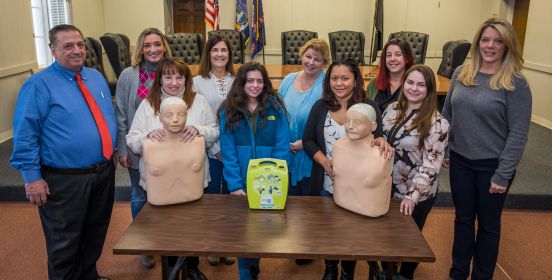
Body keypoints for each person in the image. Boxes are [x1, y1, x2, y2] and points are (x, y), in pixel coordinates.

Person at [10, 24, 116, 280]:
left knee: (94, 234)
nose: (77, 50)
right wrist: (32, 178)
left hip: (103, 173)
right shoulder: (38, 85)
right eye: (68, 46)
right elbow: (25, 133)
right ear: (53, 50)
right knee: (64, 244)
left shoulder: (95, 76)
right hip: (65, 179)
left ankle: (89, 275)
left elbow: (109, 117)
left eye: (80, 44)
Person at [443, 18, 531, 280]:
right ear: (477, 42)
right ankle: (457, 273)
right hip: (460, 161)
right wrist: (446, 149)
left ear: (507, 46)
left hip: (493, 165)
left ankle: (482, 276)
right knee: (463, 220)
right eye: (485, 39)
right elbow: (447, 114)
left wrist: (503, 174)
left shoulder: (515, 83)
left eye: (498, 40)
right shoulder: (461, 73)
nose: (490, 45)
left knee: (489, 226)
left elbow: (518, 134)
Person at [126, 57, 217, 280]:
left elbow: (214, 131)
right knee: (166, 230)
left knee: (192, 227)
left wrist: (199, 130)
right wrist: (147, 135)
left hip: (192, 179)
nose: (174, 82)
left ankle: (192, 268)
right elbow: (132, 139)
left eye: (179, 77)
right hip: (160, 183)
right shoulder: (149, 104)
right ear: (160, 80)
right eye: (168, 77)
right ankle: (170, 270)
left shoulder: (199, 101)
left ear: (187, 80)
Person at [303, 59, 393, 280]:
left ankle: (347, 271)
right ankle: (331, 268)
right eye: (334, 78)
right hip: (327, 182)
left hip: (358, 186)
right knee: (329, 230)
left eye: (345, 78)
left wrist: (382, 141)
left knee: (352, 231)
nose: (339, 83)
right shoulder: (320, 107)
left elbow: (378, 136)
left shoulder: (369, 107)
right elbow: (308, 141)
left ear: (355, 80)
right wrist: (324, 161)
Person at [218, 62, 290, 280]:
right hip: (240, 180)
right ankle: (244, 274)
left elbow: (282, 146)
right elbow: (227, 150)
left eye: (259, 81)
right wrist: (235, 185)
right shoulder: (228, 109)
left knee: (261, 229)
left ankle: (254, 266)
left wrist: (278, 181)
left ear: (265, 83)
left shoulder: (275, 108)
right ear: (241, 83)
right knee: (242, 231)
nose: (255, 85)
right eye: (250, 80)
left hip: (268, 182)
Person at [381, 64, 450, 280]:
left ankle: (406, 274)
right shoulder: (392, 109)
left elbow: (431, 165)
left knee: (410, 240)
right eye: (410, 82)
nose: (414, 88)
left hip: (417, 193)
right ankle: (387, 272)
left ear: (430, 89)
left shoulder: (438, 123)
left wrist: (413, 195)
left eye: (421, 85)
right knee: (386, 235)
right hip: (387, 187)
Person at [114, 27, 171, 268]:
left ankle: (165, 238)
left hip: (169, 150)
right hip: (138, 147)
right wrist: (123, 149)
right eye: (147, 45)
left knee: (168, 194)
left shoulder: (173, 72)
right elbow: (121, 114)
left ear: (164, 46)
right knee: (139, 195)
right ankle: (145, 243)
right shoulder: (129, 74)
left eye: (157, 44)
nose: (153, 49)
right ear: (140, 48)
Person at [192, 35, 236, 266]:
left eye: (224, 50)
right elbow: (197, 117)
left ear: (230, 54)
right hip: (209, 148)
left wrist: (228, 149)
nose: (220, 54)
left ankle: (227, 243)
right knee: (210, 197)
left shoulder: (238, 80)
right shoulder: (196, 82)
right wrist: (215, 147)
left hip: (234, 149)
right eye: (215, 50)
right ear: (208, 54)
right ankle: (211, 243)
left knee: (231, 196)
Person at [278, 38, 330, 197]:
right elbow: (276, 112)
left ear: (324, 63)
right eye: (308, 56)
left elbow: (330, 120)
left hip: (311, 155)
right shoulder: (288, 80)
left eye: (317, 59)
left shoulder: (328, 84)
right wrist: (282, 141)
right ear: (302, 55)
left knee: (308, 209)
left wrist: (307, 142)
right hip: (285, 150)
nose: (311, 62)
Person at [142, 97, 206, 206]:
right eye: (168, 115)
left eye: (181, 114)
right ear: (159, 116)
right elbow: (131, 138)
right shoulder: (148, 145)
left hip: (195, 202)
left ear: (187, 114)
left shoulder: (199, 142)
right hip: (159, 206)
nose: (175, 119)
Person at [333, 103, 393, 218]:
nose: (350, 126)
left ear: (373, 126)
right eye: (347, 120)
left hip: (371, 216)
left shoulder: (383, 155)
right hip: (339, 210)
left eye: (358, 122)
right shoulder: (337, 147)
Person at [366, 38, 414, 112]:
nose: (392, 59)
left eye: (398, 55)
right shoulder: (373, 84)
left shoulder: (413, 86)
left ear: (407, 59)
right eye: (388, 55)